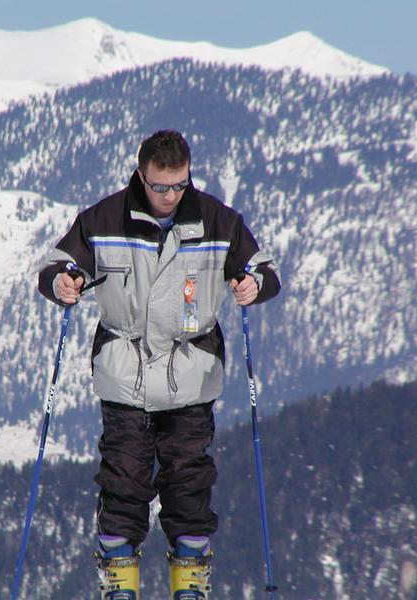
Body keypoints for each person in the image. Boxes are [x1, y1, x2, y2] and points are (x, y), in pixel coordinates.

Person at [38, 129, 280, 599]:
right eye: (159, 186)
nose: (170, 196)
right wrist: (63, 284)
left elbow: (263, 270)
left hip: (191, 375)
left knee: (189, 481)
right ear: (141, 175)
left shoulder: (219, 221)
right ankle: (119, 584)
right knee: (123, 479)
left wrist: (253, 285)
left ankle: (189, 585)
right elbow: (58, 266)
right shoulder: (103, 219)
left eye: (179, 186)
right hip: (125, 375)